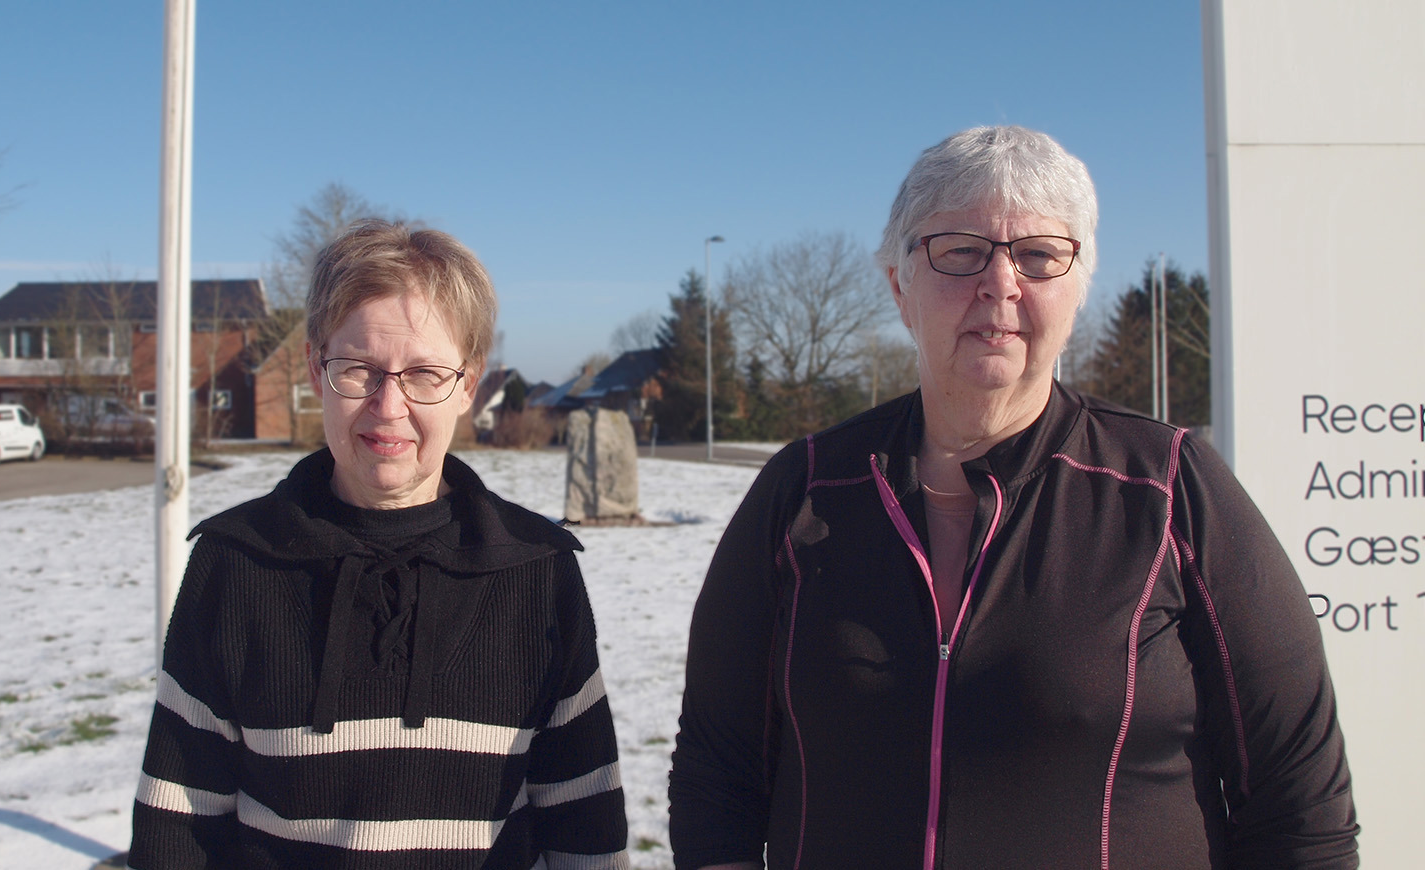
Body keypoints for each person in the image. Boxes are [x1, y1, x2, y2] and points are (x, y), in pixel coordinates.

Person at [668, 126, 1358, 869]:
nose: (1000, 284)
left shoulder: (1169, 492)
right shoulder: (804, 490)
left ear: (1078, 287)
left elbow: (1299, 806)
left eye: (1038, 255)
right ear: (900, 284)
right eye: (959, 250)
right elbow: (718, 772)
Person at [130, 220, 628, 869]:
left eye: (423, 374)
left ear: (469, 385)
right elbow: (178, 827)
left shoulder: (537, 572)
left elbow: (584, 823)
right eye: (359, 369)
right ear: (315, 368)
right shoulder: (235, 564)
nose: (388, 406)